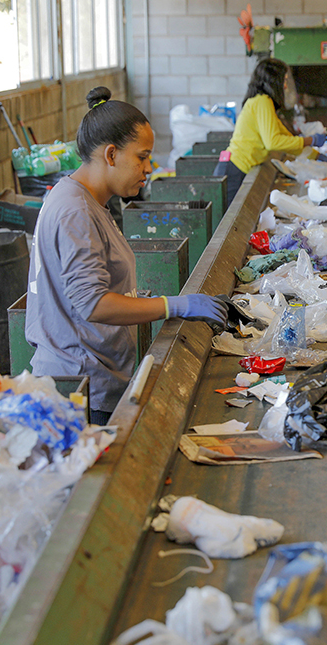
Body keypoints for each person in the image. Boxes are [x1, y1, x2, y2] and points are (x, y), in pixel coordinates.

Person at [27, 87, 229, 425]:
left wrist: (138, 297)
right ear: (110, 155)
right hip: (84, 387)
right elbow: (93, 304)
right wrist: (172, 306)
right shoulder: (75, 211)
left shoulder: (87, 201)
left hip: (96, 372)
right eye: (142, 157)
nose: (149, 168)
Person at [215, 58, 327, 200]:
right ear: (274, 81)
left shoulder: (262, 103)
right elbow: (273, 142)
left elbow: (286, 139)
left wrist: (317, 156)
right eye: (283, 80)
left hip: (234, 168)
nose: (285, 86)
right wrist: (311, 140)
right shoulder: (262, 101)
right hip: (234, 171)